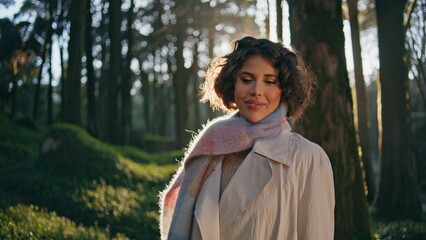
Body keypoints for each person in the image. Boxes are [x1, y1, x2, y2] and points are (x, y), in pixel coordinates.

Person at [159, 36, 335, 240]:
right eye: (246, 79)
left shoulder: (308, 157)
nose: (256, 91)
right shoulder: (209, 147)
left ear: (284, 90)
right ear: (232, 83)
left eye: (270, 81)